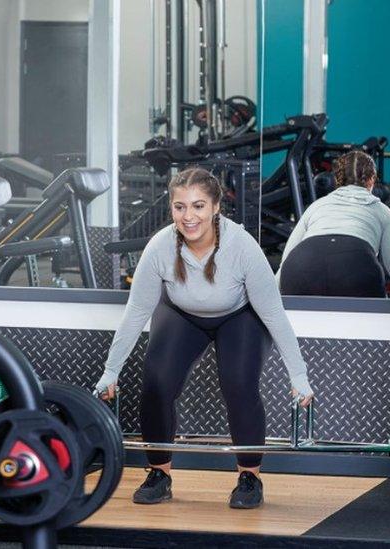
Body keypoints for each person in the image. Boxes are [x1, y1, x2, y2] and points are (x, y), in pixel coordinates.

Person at [95, 167, 314, 510]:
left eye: (198, 206)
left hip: (240, 316)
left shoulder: (242, 246)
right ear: (171, 209)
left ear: (215, 208)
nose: (189, 216)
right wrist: (111, 371)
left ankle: (249, 478)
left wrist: (298, 376)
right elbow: (136, 313)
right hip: (182, 315)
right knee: (156, 383)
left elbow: (273, 314)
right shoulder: (160, 248)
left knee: (239, 383)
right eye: (180, 207)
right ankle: (159, 474)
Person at [277, 150, 390, 299]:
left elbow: (285, 261)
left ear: (337, 179)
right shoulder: (383, 211)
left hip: (301, 265)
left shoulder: (316, 206)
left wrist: (262, 308)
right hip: (355, 267)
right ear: (371, 179)